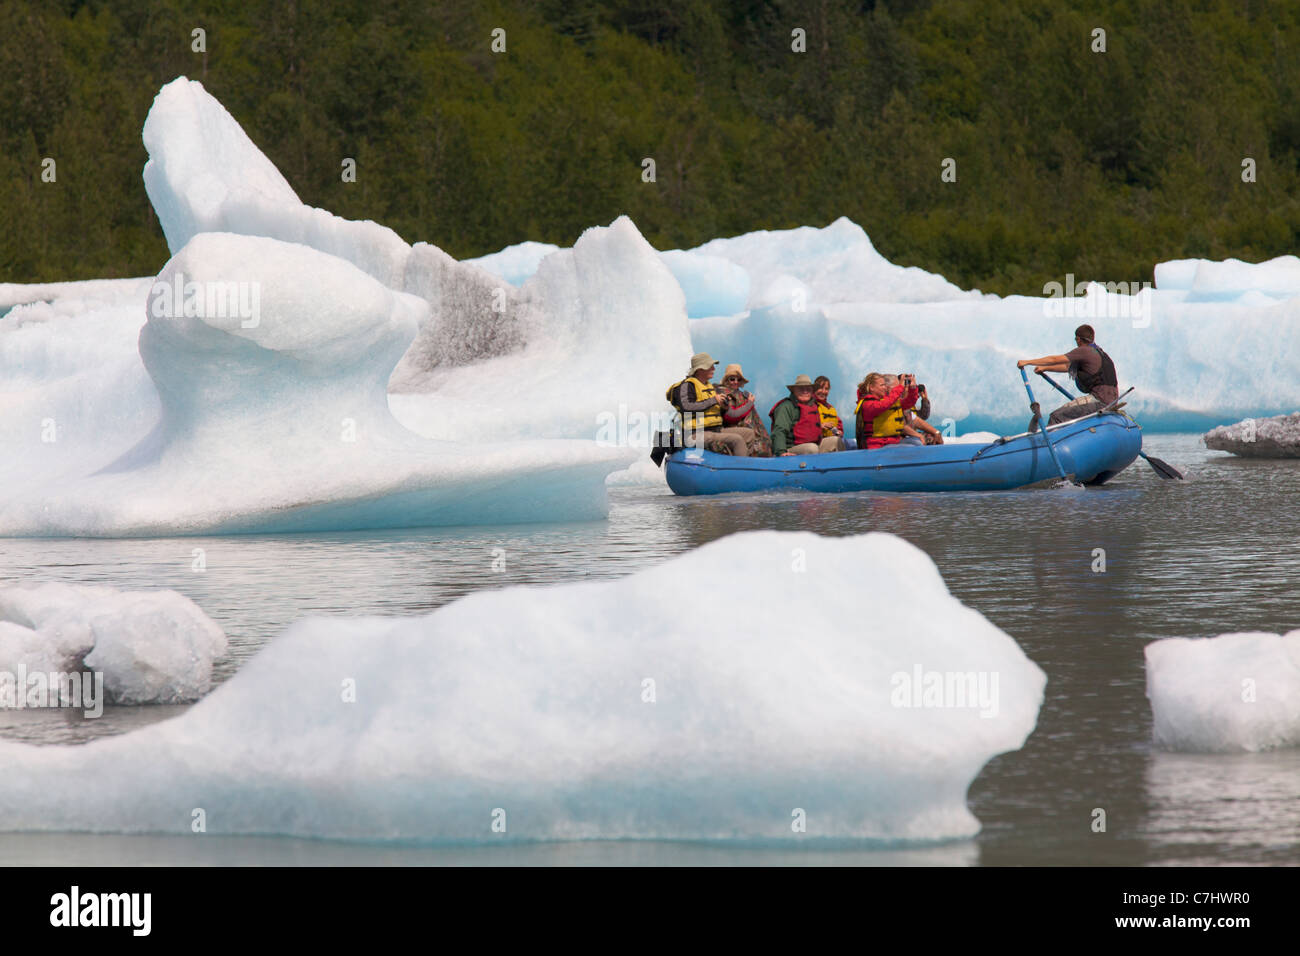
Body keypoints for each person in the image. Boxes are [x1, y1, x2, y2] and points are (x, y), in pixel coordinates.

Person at [1017, 324, 1119, 427]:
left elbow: (1054, 360)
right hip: (1112, 400)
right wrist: (1045, 368)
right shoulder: (1100, 353)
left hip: (1099, 401)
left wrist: (1027, 362)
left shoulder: (1084, 351)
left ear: (1078, 339)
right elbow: (1067, 367)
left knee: (1056, 416)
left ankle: (1051, 441)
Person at [665, 352, 753, 456]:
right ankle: (741, 470)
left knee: (749, 434)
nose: (714, 369)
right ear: (701, 369)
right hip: (695, 433)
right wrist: (714, 400)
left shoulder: (709, 387)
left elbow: (731, 414)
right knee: (737, 440)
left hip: (715, 430)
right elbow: (686, 407)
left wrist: (724, 407)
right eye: (711, 367)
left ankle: (740, 464)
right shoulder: (687, 386)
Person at [770, 374, 843, 455]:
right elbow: (779, 431)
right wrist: (781, 452)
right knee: (812, 448)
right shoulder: (786, 407)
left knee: (835, 441)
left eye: (808, 389)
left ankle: (839, 467)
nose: (805, 391)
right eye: (801, 389)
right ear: (793, 391)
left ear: (812, 391)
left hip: (814, 445)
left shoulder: (814, 406)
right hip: (790, 448)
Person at [716, 363, 772, 457]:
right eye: (732, 379)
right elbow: (730, 416)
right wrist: (749, 403)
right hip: (734, 433)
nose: (736, 382)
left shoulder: (743, 395)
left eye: (739, 379)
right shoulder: (722, 393)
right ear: (726, 380)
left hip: (752, 435)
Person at [855, 372, 922, 449]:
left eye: (885, 385)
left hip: (893, 442)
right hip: (877, 446)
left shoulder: (887, 400)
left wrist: (913, 389)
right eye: (882, 385)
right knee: (912, 448)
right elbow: (884, 405)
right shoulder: (868, 404)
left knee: (917, 442)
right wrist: (900, 387)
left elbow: (909, 402)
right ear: (871, 388)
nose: (885, 388)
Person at [812, 376, 847, 451]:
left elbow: (839, 425)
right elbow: (804, 426)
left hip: (830, 442)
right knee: (836, 441)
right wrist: (820, 425)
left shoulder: (831, 408)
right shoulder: (809, 406)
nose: (823, 391)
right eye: (820, 388)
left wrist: (840, 432)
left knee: (839, 441)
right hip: (815, 444)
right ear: (814, 389)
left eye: (826, 389)